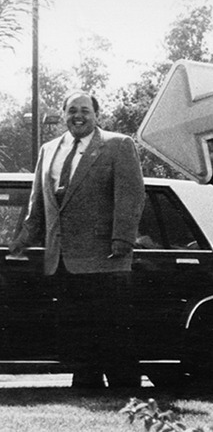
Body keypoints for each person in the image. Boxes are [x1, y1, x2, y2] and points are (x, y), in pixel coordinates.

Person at [10, 91, 145, 388]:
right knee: (79, 330)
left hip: (105, 258)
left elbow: (131, 195)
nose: (78, 116)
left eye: (85, 110)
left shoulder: (118, 145)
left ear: (96, 114)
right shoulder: (48, 150)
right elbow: (38, 202)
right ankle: (86, 387)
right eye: (72, 110)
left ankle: (128, 392)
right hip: (62, 259)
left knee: (114, 330)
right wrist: (22, 238)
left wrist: (122, 238)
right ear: (63, 114)